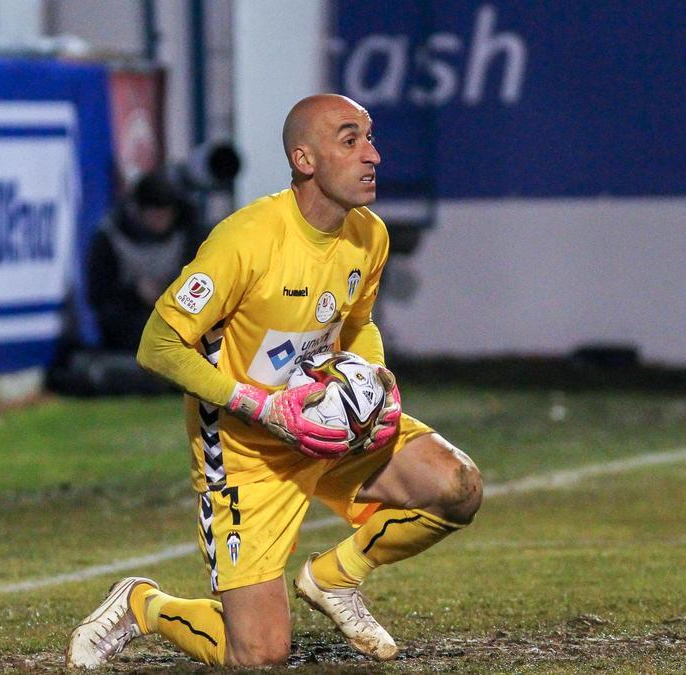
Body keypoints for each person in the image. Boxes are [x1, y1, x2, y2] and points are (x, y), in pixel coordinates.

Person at [66, 94, 483, 668]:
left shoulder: (369, 236)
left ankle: (333, 580)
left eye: (370, 138)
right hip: (247, 451)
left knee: (457, 486)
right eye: (351, 140)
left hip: (330, 425)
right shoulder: (246, 240)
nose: (374, 155)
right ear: (304, 159)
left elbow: (356, 326)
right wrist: (258, 407)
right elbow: (156, 345)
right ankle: (144, 607)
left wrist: (377, 383)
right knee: (258, 655)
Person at [87, 171, 198, 352]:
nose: (160, 223)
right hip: (128, 328)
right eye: (154, 216)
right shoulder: (110, 238)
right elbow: (98, 297)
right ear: (138, 211)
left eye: (165, 216)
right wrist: (135, 293)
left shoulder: (187, 235)